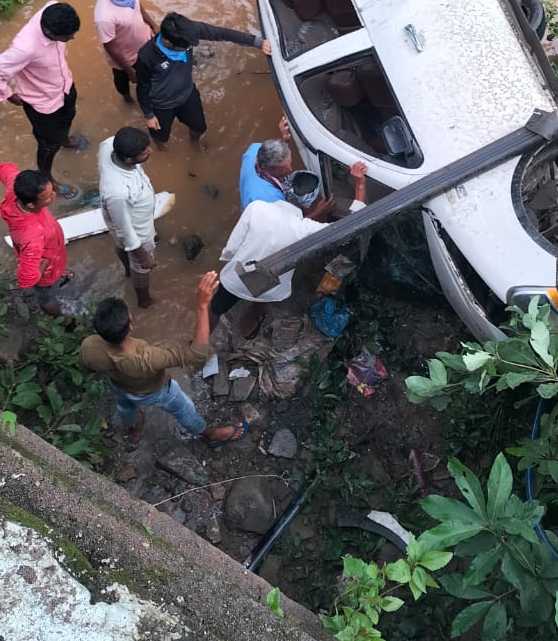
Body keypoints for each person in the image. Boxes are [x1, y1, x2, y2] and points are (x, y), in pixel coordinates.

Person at [80, 272, 248, 447]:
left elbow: (86, 367)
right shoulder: (146, 357)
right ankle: (208, 434)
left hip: (120, 386)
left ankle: (133, 428)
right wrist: (202, 305)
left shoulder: (89, 346)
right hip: (156, 392)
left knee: (125, 406)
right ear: (130, 325)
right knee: (183, 409)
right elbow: (197, 353)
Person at [211, 162, 368, 338]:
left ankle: (198, 343)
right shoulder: (307, 230)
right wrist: (359, 185)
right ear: (312, 203)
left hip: (237, 278)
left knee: (216, 308)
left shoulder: (257, 208)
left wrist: (229, 258)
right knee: (264, 294)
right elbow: (354, 225)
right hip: (271, 286)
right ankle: (253, 315)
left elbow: (232, 247)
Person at [0, 2, 87, 200]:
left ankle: (65, 139)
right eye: (67, 36)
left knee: (68, 117)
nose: (72, 38)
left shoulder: (52, 8)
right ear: (48, 31)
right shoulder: (25, 48)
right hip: (42, 103)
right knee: (48, 144)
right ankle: (47, 177)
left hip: (64, 85)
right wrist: (9, 95)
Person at [135, 11, 272, 149]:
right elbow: (142, 87)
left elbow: (222, 33)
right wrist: (149, 115)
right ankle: (161, 149)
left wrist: (257, 42)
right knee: (160, 137)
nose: (188, 48)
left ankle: (194, 143)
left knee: (199, 127)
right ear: (167, 41)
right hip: (161, 105)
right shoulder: (146, 56)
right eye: (185, 47)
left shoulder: (188, 30)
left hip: (188, 94)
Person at [0, 163, 72, 317]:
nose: (54, 196)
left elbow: (4, 168)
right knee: (47, 299)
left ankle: (59, 274)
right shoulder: (32, 237)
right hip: (47, 271)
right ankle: (63, 321)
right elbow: (26, 280)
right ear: (31, 204)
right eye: (48, 196)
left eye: (52, 191)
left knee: (56, 272)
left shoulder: (16, 188)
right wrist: (46, 260)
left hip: (54, 256)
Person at [98, 126, 159, 308]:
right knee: (141, 268)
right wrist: (143, 256)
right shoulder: (118, 192)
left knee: (121, 244)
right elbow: (126, 231)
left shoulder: (109, 145)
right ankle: (144, 300)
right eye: (144, 152)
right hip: (137, 231)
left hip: (120, 216)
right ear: (128, 159)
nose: (150, 151)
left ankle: (127, 270)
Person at [93, 0, 158, 105]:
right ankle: (127, 98)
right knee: (122, 81)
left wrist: (153, 24)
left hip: (144, 45)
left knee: (149, 77)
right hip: (126, 58)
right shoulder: (104, 17)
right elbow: (110, 46)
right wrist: (129, 70)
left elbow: (136, 4)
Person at [239, 117, 297, 209]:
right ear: (270, 169)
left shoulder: (254, 149)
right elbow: (288, 222)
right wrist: (320, 210)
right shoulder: (271, 200)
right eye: (284, 171)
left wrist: (285, 139)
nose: (291, 170)